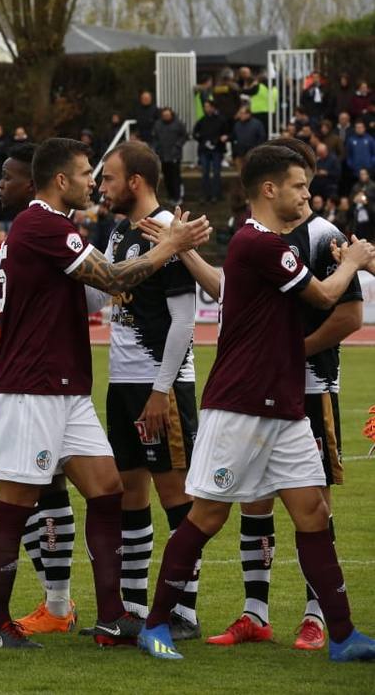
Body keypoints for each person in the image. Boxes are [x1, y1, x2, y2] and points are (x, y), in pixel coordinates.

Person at [136, 145, 375, 662]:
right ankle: (154, 625)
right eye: (298, 186)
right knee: (208, 516)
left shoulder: (262, 245)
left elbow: (235, 290)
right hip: (241, 404)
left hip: (283, 403)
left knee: (312, 512)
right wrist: (354, 262)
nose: (306, 195)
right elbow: (322, 296)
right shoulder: (262, 243)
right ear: (269, 190)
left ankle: (342, 635)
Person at [0, 138, 208, 649]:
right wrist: (171, 245)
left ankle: (111, 615)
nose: (92, 183)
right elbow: (115, 277)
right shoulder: (42, 225)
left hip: (66, 389)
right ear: (61, 180)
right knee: (14, 506)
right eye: (85, 174)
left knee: (107, 490)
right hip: (30, 389)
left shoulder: (59, 231)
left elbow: (99, 289)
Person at [91, 143, 202, 640]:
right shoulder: (117, 233)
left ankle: (184, 612)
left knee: (176, 498)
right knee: (130, 496)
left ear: (135, 181)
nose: (102, 187)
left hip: (162, 386)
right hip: (122, 384)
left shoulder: (166, 232)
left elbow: (184, 321)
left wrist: (161, 390)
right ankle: (134, 608)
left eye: (110, 178)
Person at [193, 101, 229, 203]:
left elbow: (226, 133)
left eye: (208, 106)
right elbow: (195, 133)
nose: (206, 109)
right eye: (205, 107)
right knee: (205, 173)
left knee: (216, 173)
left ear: (213, 108)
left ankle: (215, 195)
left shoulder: (221, 120)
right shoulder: (202, 120)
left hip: (217, 149)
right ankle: (205, 195)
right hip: (204, 150)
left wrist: (222, 138)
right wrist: (200, 138)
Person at [151, 108, 187, 203]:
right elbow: (155, 138)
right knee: (167, 177)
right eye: (164, 115)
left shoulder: (178, 124)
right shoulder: (158, 124)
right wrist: (156, 149)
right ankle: (170, 196)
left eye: (168, 115)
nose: (166, 117)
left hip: (174, 155)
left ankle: (178, 196)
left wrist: (177, 146)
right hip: (163, 155)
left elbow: (184, 136)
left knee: (175, 176)